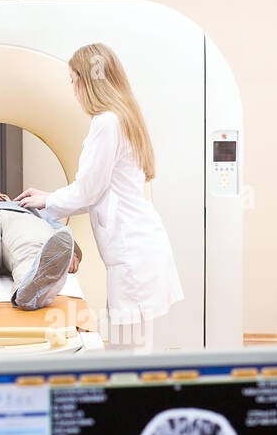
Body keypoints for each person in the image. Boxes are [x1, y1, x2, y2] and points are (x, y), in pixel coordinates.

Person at [17, 43, 183, 349]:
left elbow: (88, 191)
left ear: (86, 81)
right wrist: (50, 197)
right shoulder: (125, 117)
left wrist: (44, 202)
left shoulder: (107, 122)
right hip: (141, 247)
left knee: (127, 350)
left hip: (132, 253)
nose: (73, 90)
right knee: (134, 348)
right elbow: (97, 190)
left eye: (73, 81)